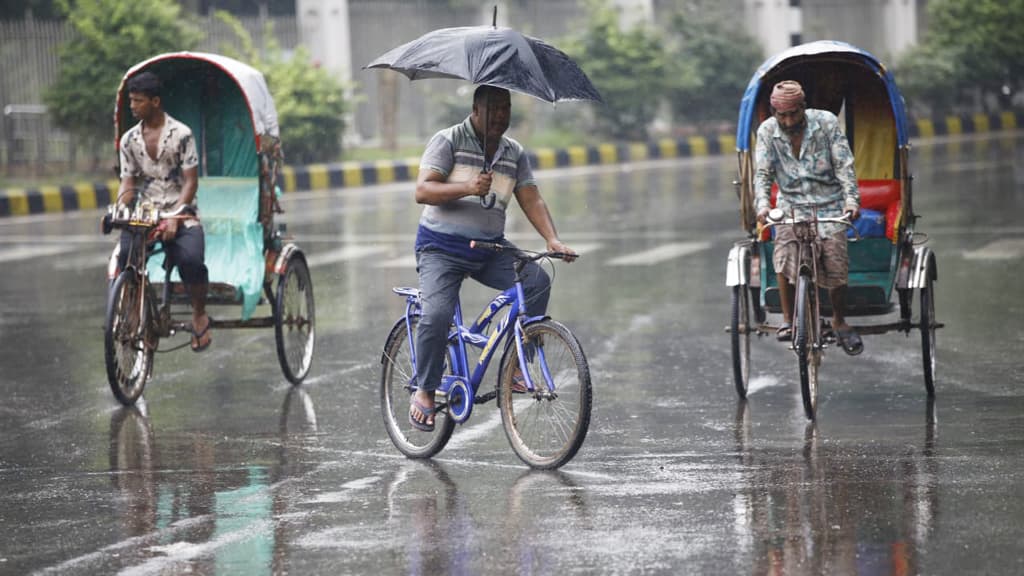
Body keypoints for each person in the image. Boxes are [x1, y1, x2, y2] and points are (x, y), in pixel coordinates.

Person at [408, 85, 577, 431]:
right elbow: (423, 191)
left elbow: (532, 199)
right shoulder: (448, 140)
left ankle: (516, 369)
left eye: (506, 108)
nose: (501, 115)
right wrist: (468, 187)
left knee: (536, 280)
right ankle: (424, 390)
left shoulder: (513, 152)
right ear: (475, 109)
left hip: (489, 247)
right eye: (494, 108)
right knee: (437, 314)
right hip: (441, 248)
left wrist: (552, 239)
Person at [754, 80, 863, 354]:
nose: (788, 121)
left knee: (836, 260)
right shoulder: (767, 131)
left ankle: (839, 321)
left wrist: (851, 200)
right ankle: (789, 321)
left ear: (804, 107)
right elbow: (763, 174)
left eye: (794, 114)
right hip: (790, 205)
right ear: (774, 113)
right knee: (783, 251)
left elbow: (844, 164)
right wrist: (763, 205)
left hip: (828, 204)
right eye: (782, 115)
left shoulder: (825, 123)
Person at [116, 71, 211, 352]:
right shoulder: (128, 140)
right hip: (144, 211)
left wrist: (177, 215)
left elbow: (191, 181)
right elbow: (128, 180)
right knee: (126, 256)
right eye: (131, 101)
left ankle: (198, 313)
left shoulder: (182, 134)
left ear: (155, 101)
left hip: (180, 209)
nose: (132, 106)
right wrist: (120, 208)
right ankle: (135, 312)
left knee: (191, 259)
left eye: (138, 101)